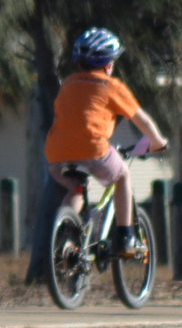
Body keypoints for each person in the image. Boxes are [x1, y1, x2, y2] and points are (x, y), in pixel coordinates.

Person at [44, 27, 169, 257]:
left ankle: (65, 239)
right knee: (122, 176)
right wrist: (158, 141)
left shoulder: (68, 84)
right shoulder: (111, 86)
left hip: (56, 155)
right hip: (93, 149)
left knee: (77, 189)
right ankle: (125, 237)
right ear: (108, 64)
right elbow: (143, 121)